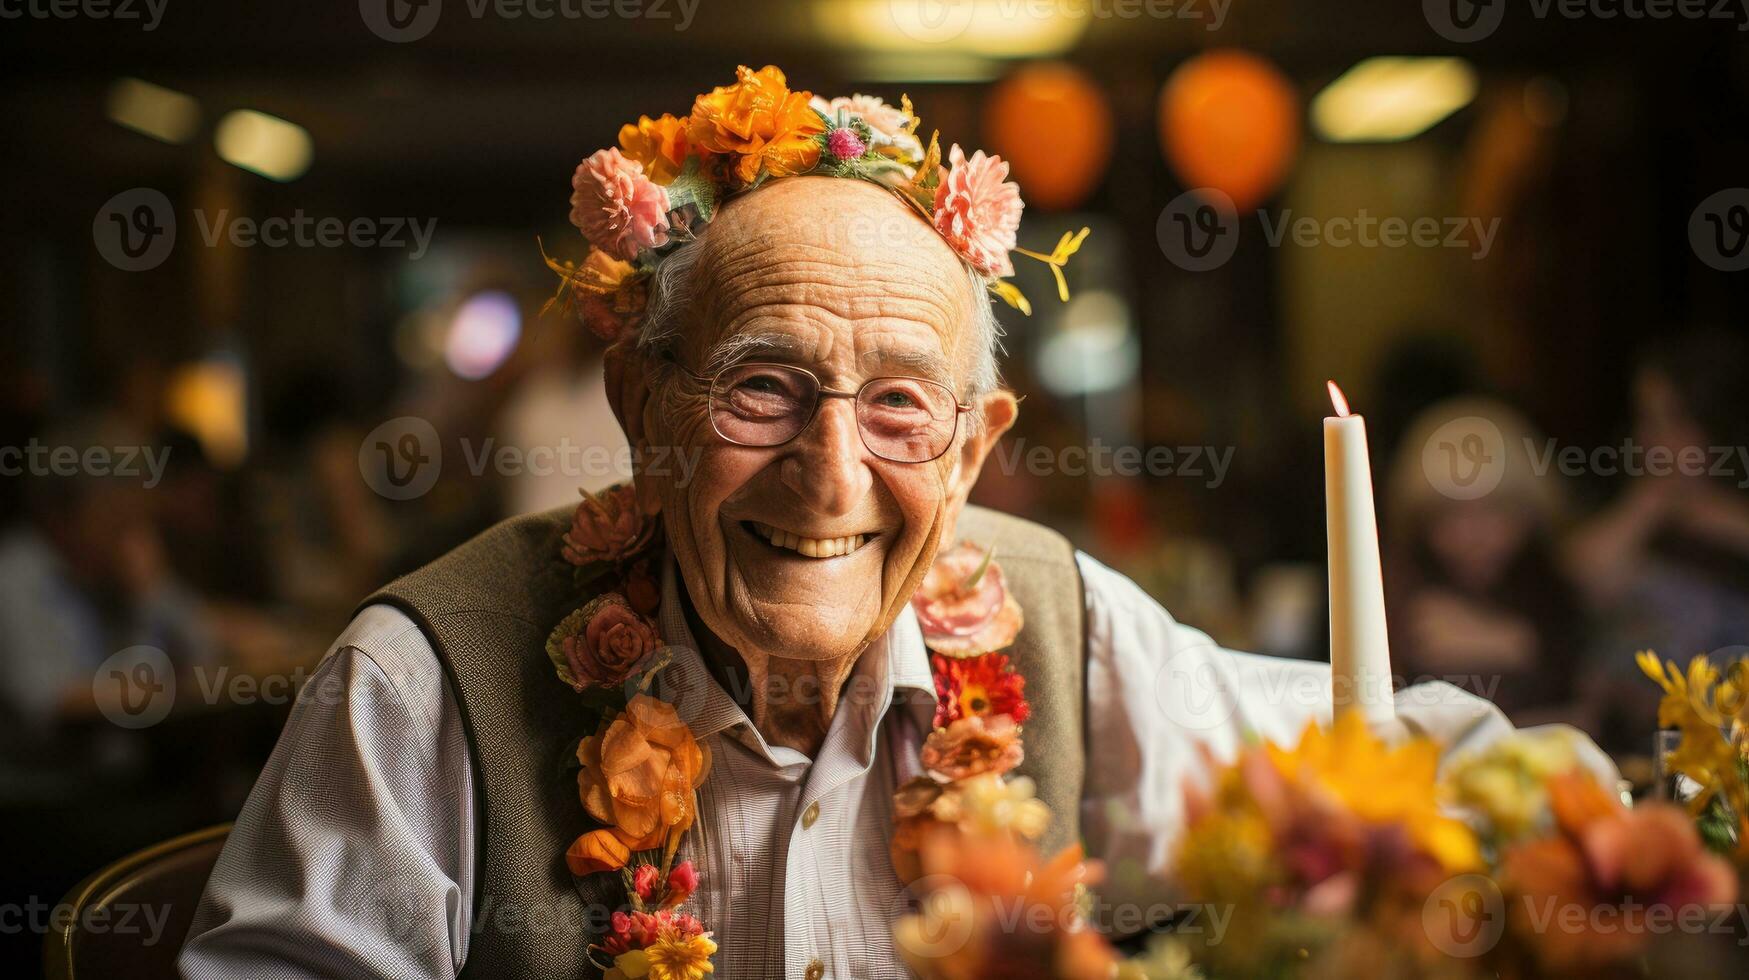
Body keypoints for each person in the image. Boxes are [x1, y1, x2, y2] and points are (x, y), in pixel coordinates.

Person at [181, 66, 1610, 980]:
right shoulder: (420, 678)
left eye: (900, 408)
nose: (831, 475)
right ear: (641, 399)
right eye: (763, 389)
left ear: (979, 446)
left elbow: (1422, 763)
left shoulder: (1066, 633)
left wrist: (1622, 849)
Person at [1564, 329, 1749, 754]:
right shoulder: (1639, 513)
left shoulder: (1734, 524)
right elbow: (1578, 581)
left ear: (1713, 423)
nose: (1651, 438)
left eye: (1671, 420)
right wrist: (1653, 502)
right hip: (1629, 742)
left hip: (1725, 752)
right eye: (1646, 419)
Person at [1384, 398, 1583, 725]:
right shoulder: (1405, 584)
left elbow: (1584, 690)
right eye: (1449, 513)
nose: (1471, 533)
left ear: (1528, 512)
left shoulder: (1551, 581)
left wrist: (1512, 642)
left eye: (1493, 509)